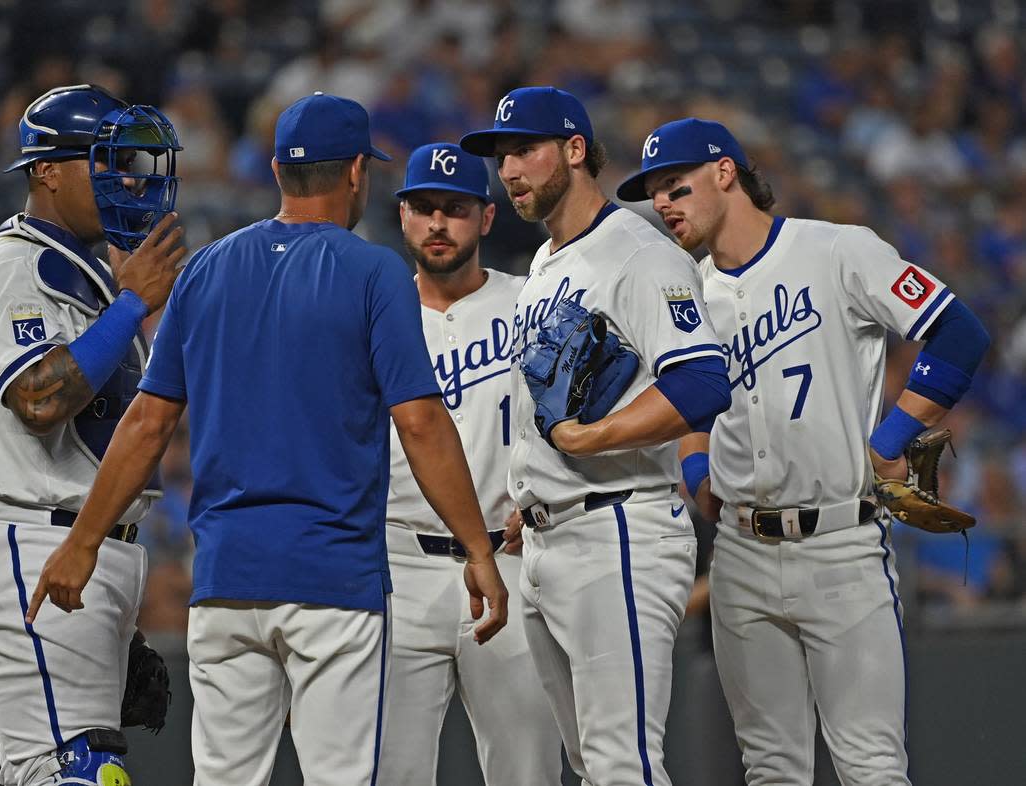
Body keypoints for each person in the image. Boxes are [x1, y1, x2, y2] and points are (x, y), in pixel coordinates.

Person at [26, 92, 509, 786]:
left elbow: (148, 422)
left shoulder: (207, 270)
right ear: (354, 175)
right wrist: (477, 549)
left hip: (226, 581)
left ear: (279, 170)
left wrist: (81, 543)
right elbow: (422, 423)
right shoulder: (374, 272)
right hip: (333, 580)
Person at [617, 117, 991, 785]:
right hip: (740, 554)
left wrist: (891, 440)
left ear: (725, 172)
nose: (664, 204)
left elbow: (958, 334)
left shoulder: (839, 251)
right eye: (656, 195)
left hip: (841, 545)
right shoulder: (687, 293)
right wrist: (698, 466)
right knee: (770, 771)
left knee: (871, 766)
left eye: (676, 186)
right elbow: (689, 400)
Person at [459, 86, 732, 786]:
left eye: (526, 150)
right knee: (590, 763)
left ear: (576, 150)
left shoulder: (638, 251)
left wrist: (597, 436)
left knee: (621, 764)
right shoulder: (543, 270)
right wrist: (533, 489)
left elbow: (703, 384)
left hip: (621, 532)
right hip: (552, 538)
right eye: (502, 155)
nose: (510, 168)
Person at [0, 84, 184, 786]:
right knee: (73, 773)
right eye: (103, 162)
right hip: (32, 540)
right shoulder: (15, 265)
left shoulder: (87, 272)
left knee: (52, 771)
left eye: (128, 163)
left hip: (70, 544)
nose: (126, 179)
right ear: (46, 170)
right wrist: (135, 301)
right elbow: (40, 399)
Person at [379, 142, 562, 786]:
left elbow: (573, 418)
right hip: (397, 563)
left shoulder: (533, 303)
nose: (438, 224)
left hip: (510, 558)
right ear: (403, 215)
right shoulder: (375, 312)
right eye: (424, 207)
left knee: (528, 772)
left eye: (455, 209)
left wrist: (544, 497)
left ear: (486, 219)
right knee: (389, 774)